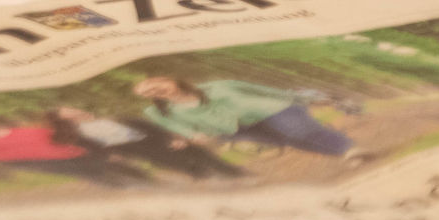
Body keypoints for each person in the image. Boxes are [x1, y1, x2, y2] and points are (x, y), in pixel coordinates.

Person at [132, 76, 357, 158]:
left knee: (298, 131)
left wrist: (299, 98)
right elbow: (177, 127)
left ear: (168, 79)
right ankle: (342, 151)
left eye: (154, 85)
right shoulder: (156, 112)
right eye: (147, 93)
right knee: (288, 140)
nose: (153, 92)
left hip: (269, 109)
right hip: (233, 129)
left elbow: (262, 90)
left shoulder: (220, 85)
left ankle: (348, 149)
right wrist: (194, 135)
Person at [0, 116, 152, 188]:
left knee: (118, 167)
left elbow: (58, 135)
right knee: (98, 175)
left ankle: (146, 181)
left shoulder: (16, 130)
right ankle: (131, 189)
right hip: (40, 162)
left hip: (73, 151)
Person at [50, 104, 244, 181]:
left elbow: (150, 127)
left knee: (197, 153)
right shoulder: (81, 135)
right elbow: (95, 149)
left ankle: (234, 174)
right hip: (137, 149)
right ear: (67, 121)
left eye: (74, 110)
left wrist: (174, 137)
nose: (77, 113)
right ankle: (210, 180)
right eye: (71, 115)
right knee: (181, 164)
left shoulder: (118, 116)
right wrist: (110, 155)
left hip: (153, 139)